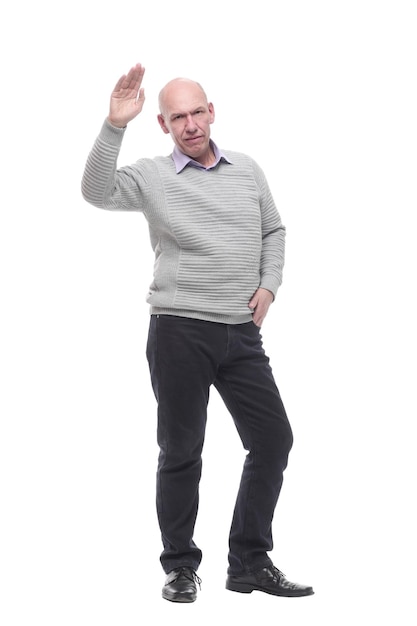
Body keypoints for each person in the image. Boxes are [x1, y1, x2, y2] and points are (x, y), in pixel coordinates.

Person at [81, 63, 314, 603]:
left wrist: (270, 285)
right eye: (177, 116)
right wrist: (114, 124)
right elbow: (95, 192)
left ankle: (249, 561)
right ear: (163, 125)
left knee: (273, 439)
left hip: (241, 332)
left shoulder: (247, 169)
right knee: (182, 449)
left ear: (213, 112)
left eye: (197, 112)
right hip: (179, 331)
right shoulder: (153, 176)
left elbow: (274, 228)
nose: (190, 124)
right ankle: (181, 566)